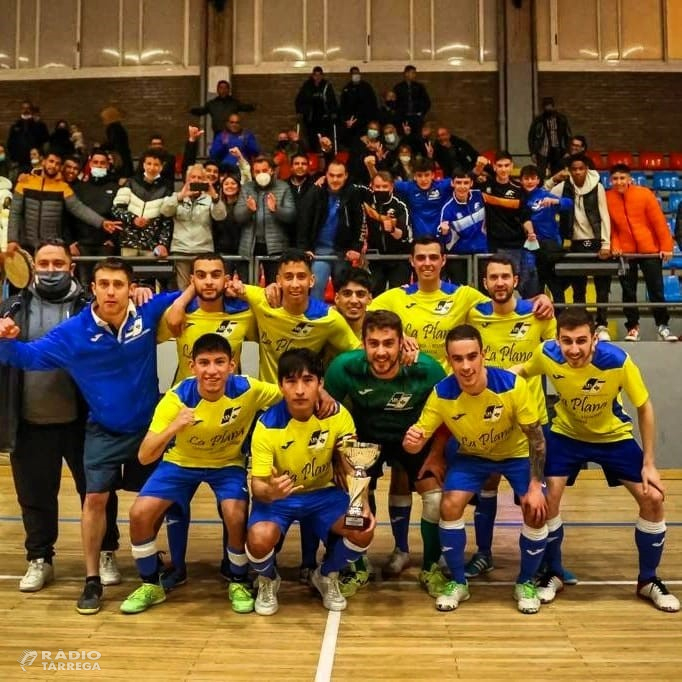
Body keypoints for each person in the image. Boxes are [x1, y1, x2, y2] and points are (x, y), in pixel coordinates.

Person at [0, 257, 180, 615]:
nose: (111, 291)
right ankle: (92, 579)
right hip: (104, 430)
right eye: (104, 284)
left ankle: (153, 557)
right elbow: (28, 357)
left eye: (119, 284)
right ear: (93, 288)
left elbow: (189, 294)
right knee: (94, 499)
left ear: (132, 288)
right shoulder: (74, 333)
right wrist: (4, 340)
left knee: (164, 499)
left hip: (149, 429)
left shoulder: (149, 313)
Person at [516, 308, 679, 612]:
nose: (574, 349)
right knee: (544, 502)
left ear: (594, 339)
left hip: (613, 437)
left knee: (653, 498)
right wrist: (492, 380)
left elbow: (645, 407)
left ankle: (647, 580)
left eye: (581, 341)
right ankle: (553, 573)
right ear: (557, 339)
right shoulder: (547, 354)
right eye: (567, 341)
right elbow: (521, 372)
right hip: (565, 435)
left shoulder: (617, 361)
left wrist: (649, 464)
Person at [119, 333, 281, 614]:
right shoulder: (176, 398)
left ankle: (238, 579)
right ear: (192, 366)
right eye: (204, 363)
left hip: (227, 464)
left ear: (232, 364)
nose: (212, 370)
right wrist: (174, 427)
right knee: (139, 513)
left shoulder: (249, 389)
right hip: (180, 463)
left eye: (219, 362)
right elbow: (145, 455)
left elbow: (290, 394)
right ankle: (151, 584)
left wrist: (324, 394)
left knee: (235, 512)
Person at [0, 240, 120, 593]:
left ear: (71, 266)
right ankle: (40, 558)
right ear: (33, 267)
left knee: (98, 492)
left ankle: (106, 552)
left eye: (58, 263)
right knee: (34, 496)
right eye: (44, 263)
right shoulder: (12, 308)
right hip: (29, 420)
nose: (50, 269)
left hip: (85, 421)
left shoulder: (92, 307)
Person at [403, 324, 548, 614]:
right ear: (449, 360)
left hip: (517, 455)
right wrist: (412, 442)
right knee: (449, 504)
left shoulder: (511, 386)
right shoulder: (441, 393)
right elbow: (415, 444)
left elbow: (537, 439)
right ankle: (458, 582)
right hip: (473, 456)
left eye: (472, 356)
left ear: (483, 355)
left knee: (535, 508)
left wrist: (535, 485)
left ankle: (526, 582)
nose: (466, 366)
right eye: (458, 359)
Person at [325, 311, 447, 598]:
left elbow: (447, 412)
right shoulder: (343, 368)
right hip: (366, 437)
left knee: (435, 498)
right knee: (355, 498)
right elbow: (328, 415)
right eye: (373, 343)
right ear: (363, 344)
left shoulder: (427, 369)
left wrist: (438, 454)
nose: (381, 351)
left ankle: (431, 566)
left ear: (402, 343)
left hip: (414, 437)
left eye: (388, 343)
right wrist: (336, 461)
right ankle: (357, 565)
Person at [246, 348, 374, 615]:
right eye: (291, 381)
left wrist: (362, 503)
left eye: (308, 380)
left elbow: (354, 465)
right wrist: (271, 491)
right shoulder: (266, 425)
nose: (300, 390)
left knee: (361, 526)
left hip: (323, 494)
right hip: (281, 500)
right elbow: (256, 487)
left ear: (321, 383)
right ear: (281, 385)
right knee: (259, 539)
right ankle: (268, 579)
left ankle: (326, 575)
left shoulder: (338, 416)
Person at [156, 256, 258, 587]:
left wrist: (253, 290)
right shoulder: (181, 315)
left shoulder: (243, 313)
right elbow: (169, 322)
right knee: (176, 497)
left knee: (230, 499)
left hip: (232, 417)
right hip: (185, 415)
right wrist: (185, 295)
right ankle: (177, 566)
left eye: (216, 275)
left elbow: (274, 313)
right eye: (201, 276)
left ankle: (233, 564)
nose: (209, 281)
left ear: (227, 278)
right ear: (192, 280)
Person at [462, 256, 557, 579]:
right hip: (489, 419)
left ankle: (547, 562)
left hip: (531, 421)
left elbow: (558, 354)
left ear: (516, 280)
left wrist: (545, 300)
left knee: (535, 494)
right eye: (493, 278)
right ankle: (484, 553)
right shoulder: (475, 315)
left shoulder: (538, 314)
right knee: (487, 486)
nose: (499, 283)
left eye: (505, 276)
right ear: (484, 283)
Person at [226, 249, 361, 384]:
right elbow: (225, 286)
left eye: (301, 277)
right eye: (289, 277)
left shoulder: (328, 317)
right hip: (269, 400)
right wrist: (231, 287)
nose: (295, 284)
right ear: (278, 280)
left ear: (312, 280)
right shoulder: (261, 299)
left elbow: (359, 352)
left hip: (306, 398)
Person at [607, 164, 676, 341]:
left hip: (650, 251)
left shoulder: (644, 194)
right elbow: (612, 228)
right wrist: (615, 245)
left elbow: (659, 222)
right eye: (615, 178)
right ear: (610, 180)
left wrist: (666, 246)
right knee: (628, 292)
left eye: (622, 178)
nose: (619, 182)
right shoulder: (608, 198)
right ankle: (633, 328)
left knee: (656, 290)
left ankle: (663, 326)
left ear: (630, 179)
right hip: (626, 253)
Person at [549, 154, 613, 340]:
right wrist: (554, 178)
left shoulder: (598, 187)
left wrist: (606, 242)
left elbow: (604, 215)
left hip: (596, 242)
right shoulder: (563, 187)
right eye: (574, 169)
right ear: (569, 171)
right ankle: (582, 324)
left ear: (587, 169)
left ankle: (601, 326)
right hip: (574, 244)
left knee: (602, 287)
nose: (578, 172)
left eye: (581, 168)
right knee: (578, 288)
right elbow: (542, 193)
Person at [6, 150, 121, 253]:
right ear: (43, 162)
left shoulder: (63, 187)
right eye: (51, 161)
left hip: (51, 246)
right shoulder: (24, 183)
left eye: (57, 164)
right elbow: (14, 213)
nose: (53, 166)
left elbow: (79, 209)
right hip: (25, 245)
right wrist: (12, 240)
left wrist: (102, 222)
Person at [296, 161, 365, 299]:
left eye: (339, 176)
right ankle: (316, 319)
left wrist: (356, 248)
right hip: (319, 252)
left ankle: (344, 320)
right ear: (325, 175)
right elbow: (304, 221)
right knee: (316, 286)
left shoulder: (353, 193)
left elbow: (359, 224)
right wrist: (304, 248)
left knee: (344, 290)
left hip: (343, 252)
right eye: (331, 175)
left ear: (345, 176)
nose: (335, 179)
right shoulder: (315, 192)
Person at [478, 152, 540, 298]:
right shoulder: (485, 186)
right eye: (499, 166)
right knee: (498, 287)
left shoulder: (519, 189)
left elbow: (525, 216)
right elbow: (465, 178)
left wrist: (530, 232)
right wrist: (479, 166)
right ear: (494, 167)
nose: (503, 169)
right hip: (495, 245)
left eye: (506, 165)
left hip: (517, 245)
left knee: (523, 285)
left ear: (512, 167)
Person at [162, 164, 226, 290]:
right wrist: (181, 196)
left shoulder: (210, 199)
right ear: (186, 180)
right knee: (183, 289)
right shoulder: (176, 196)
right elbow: (165, 211)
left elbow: (220, 216)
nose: (196, 180)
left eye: (200, 178)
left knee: (202, 287)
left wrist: (214, 196)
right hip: (181, 250)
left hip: (203, 250)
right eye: (193, 177)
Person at [233, 155, 296, 284]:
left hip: (276, 247)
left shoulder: (283, 187)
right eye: (257, 171)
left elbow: (291, 216)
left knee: (274, 286)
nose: (261, 174)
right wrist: (249, 210)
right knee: (248, 287)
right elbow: (238, 216)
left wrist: (276, 209)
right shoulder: (247, 188)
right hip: (250, 246)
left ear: (271, 171)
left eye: (264, 170)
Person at [519, 164, 573, 304]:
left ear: (538, 180)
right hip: (529, 249)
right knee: (533, 288)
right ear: (521, 181)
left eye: (533, 178)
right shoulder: (519, 197)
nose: (530, 182)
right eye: (526, 179)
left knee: (556, 287)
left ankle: (559, 318)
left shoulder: (544, 195)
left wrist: (555, 201)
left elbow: (569, 203)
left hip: (549, 247)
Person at [67, 149, 120, 285]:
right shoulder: (78, 188)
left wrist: (113, 240)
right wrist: (71, 242)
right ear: (89, 164)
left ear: (108, 165)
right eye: (95, 162)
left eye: (102, 163)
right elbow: (68, 216)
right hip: (82, 245)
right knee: (84, 284)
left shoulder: (116, 188)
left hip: (105, 245)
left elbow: (120, 215)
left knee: (104, 282)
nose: (99, 165)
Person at [112, 149, 173, 260]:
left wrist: (163, 243)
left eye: (156, 164)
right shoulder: (130, 183)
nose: (152, 168)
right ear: (143, 164)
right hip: (128, 242)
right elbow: (116, 209)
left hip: (152, 244)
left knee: (149, 275)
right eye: (149, 163)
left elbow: (166, 220)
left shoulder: (166, 189)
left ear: (161, 166)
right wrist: (133, 219)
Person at [360, 171, 412, 295]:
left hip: (399, 258)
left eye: (384, 186)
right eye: (377, 187)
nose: (381, 189)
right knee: (374, 296)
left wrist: (393, 230)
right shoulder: (366, 202)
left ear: (391, 187)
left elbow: (403, 235)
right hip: (375, 258)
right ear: (371, 186)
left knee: (398, 296)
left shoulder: (400, 205)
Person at [438, 171, 487, 284]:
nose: (462, 186)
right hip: (460, 256)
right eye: (458, 183)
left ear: (471, 183)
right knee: (461, 292)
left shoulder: (480, 196)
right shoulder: (448, 208)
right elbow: (445, 240)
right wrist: (445, 233)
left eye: (466, 183)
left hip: (483, 253)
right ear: (452, 184)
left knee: (484, 290)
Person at [190, 80, 255, 138]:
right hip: (218, 134)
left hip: (232, 135)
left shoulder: (234, 103)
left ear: (228, 90)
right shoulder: (212, 104)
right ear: (217, 90)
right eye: (221, 88)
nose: (223, 90)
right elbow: (201, 111)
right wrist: (190, 110)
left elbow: (246, 107)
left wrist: (254, 106)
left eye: (225, 88)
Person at [295, 66, 338, 152]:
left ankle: (324, 154)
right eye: (315, 75)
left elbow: (332, 100)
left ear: (322, 76)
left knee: (325, 138)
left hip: (324, 118)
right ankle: (313, 153)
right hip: (311, 118)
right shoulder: (307, 86)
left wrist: (333, 112)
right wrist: (301, 111)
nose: (317, 77)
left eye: (319, 75)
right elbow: (299, 100)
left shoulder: (327, 86)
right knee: (312, 139)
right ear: (312, 76)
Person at [527, 97, 572, 178]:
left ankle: (555, 190)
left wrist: (567, 150)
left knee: (557, 173)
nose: (548, 108)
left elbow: (568, 135)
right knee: (541, 173)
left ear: (553, 106)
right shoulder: (538, 120)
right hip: (542, 150)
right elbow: (531, 137)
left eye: (550, 106)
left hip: (558, 150)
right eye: (546, 106)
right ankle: (541, 189)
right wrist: (533, 152)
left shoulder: (561, 119)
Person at [6, 100, 49, 175]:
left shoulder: (40, 125)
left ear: (31, 110)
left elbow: (45, 141)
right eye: (23, 108)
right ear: (21, 110)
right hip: (19, 163)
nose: (26, 110)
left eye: (28, 108)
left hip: (35, 162)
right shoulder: (15, 126)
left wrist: (42, 156)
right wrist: (13, 158)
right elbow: (10, 143)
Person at [339, 66, 378, 146]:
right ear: (350, 75)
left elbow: (373, 103)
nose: (356, 75)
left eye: (357, 73)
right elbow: (343, 106)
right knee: (354, 142)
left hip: (365, 120)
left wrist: (372, 118)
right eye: (353, 73)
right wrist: (345, 119)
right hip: (352, 121)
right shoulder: (346, 89)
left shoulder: (366, 87)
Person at [392, 65, 431, 132]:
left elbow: (426, 101)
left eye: (415, 73)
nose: (414, 75)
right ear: (406, 73)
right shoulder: (398, 87)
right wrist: (398, 114)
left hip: (416, 117)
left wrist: (421, 113)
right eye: (412, 73)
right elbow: (394, 102)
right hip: (403, 117)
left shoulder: (419, 87)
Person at [100, 105, 134, 178]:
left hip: (118, 158)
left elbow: (112, 143)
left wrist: (101, 147)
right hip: (124, 157)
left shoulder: (112, 128)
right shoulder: (119, 127)